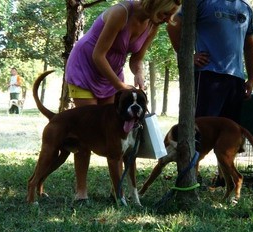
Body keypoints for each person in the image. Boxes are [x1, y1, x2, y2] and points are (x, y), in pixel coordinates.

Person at [65, 0, 181, 201]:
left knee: (116, 131)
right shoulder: (121, 13)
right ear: (154, 4)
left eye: (170, 16)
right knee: (85, 132)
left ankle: (116, 191)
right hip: (85, 68)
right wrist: (120, 86)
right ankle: (81, 193)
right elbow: (98, 55)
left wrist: (138, 75)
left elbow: (136, 59)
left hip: (111, 74)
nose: (166, 20)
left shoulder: (153, 24)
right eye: (164, 14)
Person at [166, 0, 253, 188]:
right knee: (199, 129)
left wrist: (251, 79)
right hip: (207, 75)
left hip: (235, 79)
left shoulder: (245, 9)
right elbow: (173, 24)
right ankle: (191, 177)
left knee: (229, 132)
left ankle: (224, 179)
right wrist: (187, 55)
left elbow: (250, 46)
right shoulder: (201, 3)